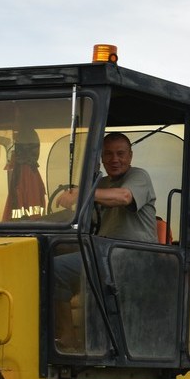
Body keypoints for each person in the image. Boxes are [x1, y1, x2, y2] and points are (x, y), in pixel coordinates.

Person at [52, 132, 158, 349]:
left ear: (130, 156)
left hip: (132, 257)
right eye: (108, 154)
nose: (114, 159)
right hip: (105, 253)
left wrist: (82, 194)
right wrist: (39, 220)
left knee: (56, 269)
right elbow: (81, 216)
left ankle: (68, 337)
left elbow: (124, 197)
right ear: (100, 157)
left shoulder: (139, 177)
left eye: (120, 153)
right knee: (47, 252)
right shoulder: (101, 184)